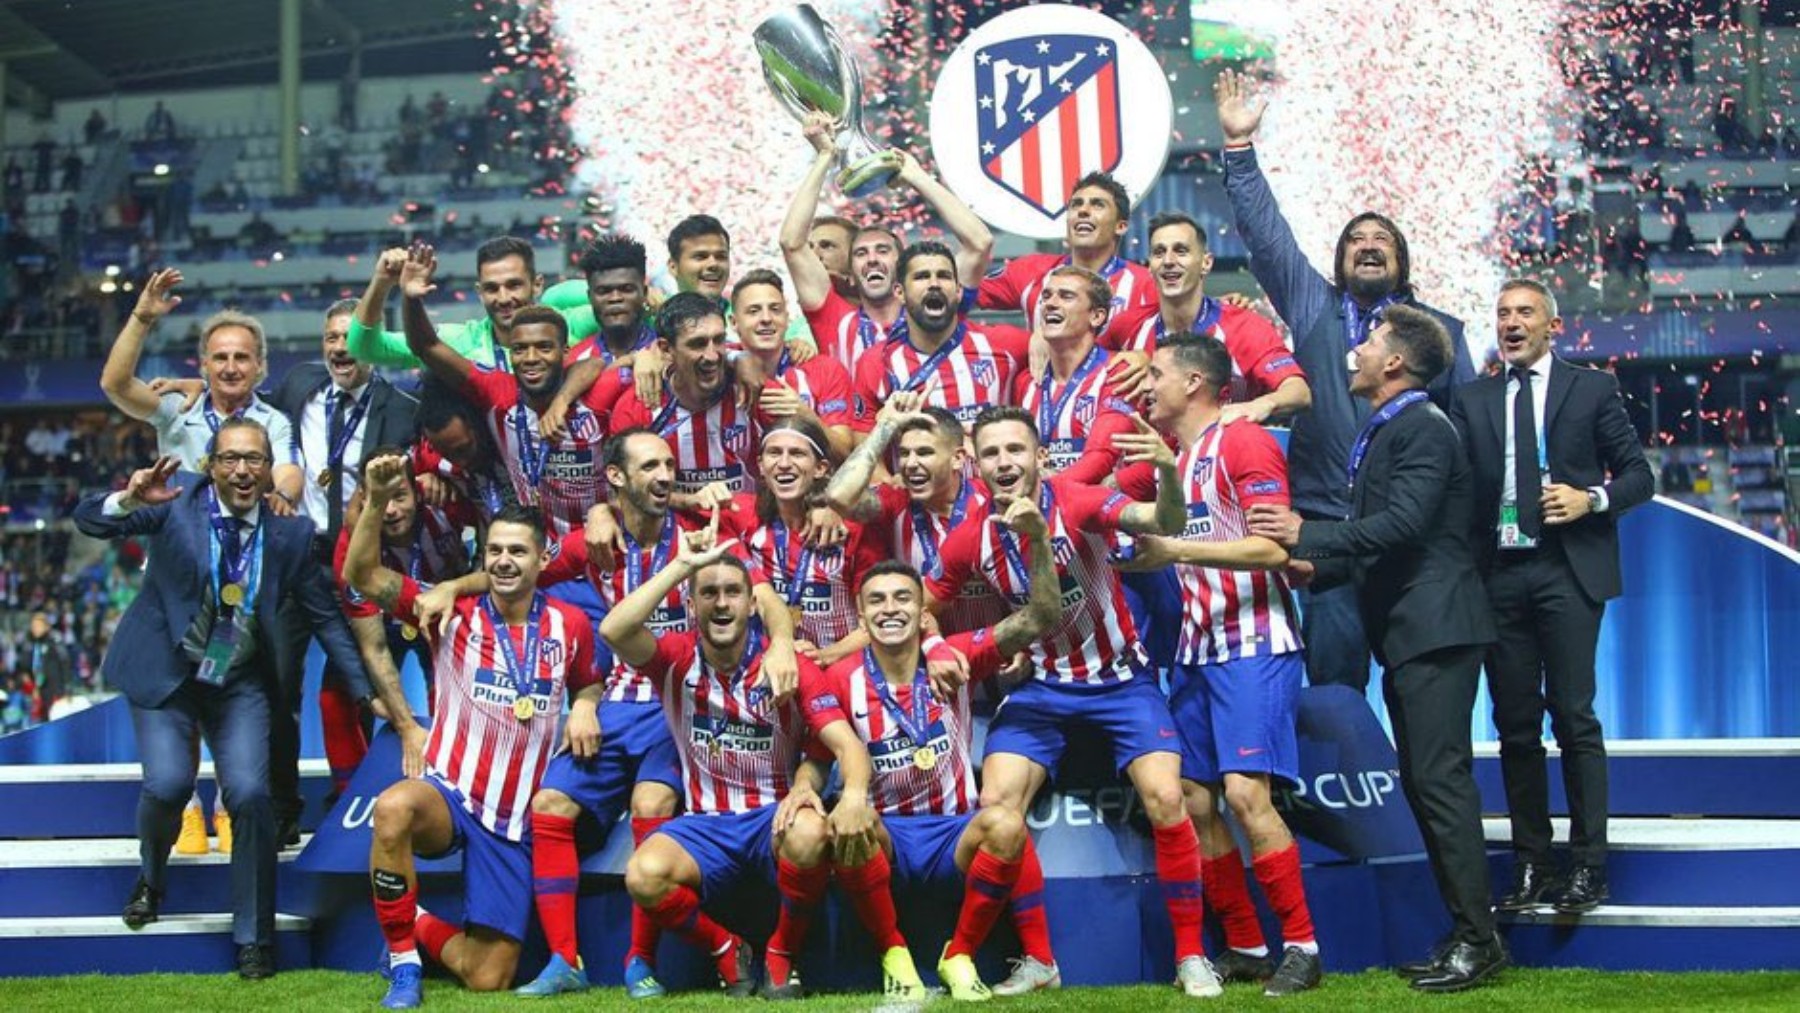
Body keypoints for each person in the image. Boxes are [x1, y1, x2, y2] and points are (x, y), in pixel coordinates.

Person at [925, 406, 1224, 998]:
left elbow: (1160, 519)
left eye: (1016, 450)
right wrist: (935, 647)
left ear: (1040, 457)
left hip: (1121, 682)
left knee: (1169, 798)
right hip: (1042, 689)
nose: (1005, 463)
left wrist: (1166, 474)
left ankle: (1191, 956)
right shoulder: (970, 537)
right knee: (998, 806)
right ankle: (1039, 960)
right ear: (976, 465)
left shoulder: (1080, 502)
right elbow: (927, 605)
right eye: (992, 454)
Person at [1247, 305, 1502, 993]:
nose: (1353, 350)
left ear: (1395, 362)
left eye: (1367, 342)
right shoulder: (1391, 426)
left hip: (1437, 629)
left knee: (1441, 786)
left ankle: (1480, 940)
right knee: (1425, 783)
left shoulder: (1421, 426)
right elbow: (1380, 535)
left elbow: (1404, 525)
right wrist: (1318, 567)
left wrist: (1308, 533)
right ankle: (1465, 930)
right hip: (1413, 631)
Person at [72, 419, 375, 981]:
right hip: (166, 669)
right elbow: (89, 520)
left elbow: (326, 617)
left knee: (253, 795)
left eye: (255, 460)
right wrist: (126, 499)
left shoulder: (290, 534)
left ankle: (254, 937)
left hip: (238, 678)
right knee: (167, 785)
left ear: (269, 470)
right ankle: (152, 878)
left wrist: (366, 692)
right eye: (231, 459)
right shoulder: (174, 502)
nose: (242, 471)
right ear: (210, 465)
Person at [503, 427, 802, 998]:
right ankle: (565, 960)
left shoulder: (702, 539)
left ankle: (641, 959)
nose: (666, 476)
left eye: (670, 465)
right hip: (613, 706)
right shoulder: (592, 544)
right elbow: (518, 576)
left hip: (674, 706)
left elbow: (764, 598)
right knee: (549, 805)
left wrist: (783, 642)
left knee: (652, 801)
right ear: (616, 478)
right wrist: (584, 697)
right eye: (650, 467)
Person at [1214, 69, 1475, 694]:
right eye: (1355, 239)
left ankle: (1420, 792)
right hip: (1326, 530)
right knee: (1335, 694)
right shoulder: (1312, 309)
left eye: (1382, 239)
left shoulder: (1440, 334)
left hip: (1411, 541)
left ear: (1402, 260)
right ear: (1340, 259)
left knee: (1424, 696)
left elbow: (1467, 433)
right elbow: (1268, 238)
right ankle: (1337, 795)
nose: (1367, 245)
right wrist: (1239, 152)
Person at [344, 465, 600, 1009]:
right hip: (452, 794)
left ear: (542, 559)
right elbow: (362, 573)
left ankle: (413, 923)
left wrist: (586, 706)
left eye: (518, 551)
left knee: (488, 977)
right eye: (495, 551)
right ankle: (403, 965)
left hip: (513, 819)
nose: (504, 561)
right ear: (483, 557)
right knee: (392, 809)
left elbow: (589, 682)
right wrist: (376, 503)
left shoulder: (570, 625)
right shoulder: (448, 612)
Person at [1121, 336, 1321, 995]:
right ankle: (1244, 942)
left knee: (1244, 793)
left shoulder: (1242, 442)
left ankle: (1302, 944)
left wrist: (1174, 547)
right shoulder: (1177, 459)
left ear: (1198, 381)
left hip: (1253, 644)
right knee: (1195, 800)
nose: (1147, 385)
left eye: (1157, 374)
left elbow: (1271, 550)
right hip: (1198, 650)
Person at [1449, 280, 1652, 915]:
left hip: (1568, 569)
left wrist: (1590, 498)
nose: (1512, 322)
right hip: (1498, 574)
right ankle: (1533, 863)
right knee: (1514, 726)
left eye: (1524, 312)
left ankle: (1590, 865)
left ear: (1552, 326)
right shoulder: (1471, 398)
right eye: (1503, 312)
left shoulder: (1591, 388)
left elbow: (1640, 476)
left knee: (1573, 715)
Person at [800, 505, 1060, 999]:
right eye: (876, 601)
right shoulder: (841, 677)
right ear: (860, 615)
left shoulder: (955, 656)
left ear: (923, 615)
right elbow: (818, 755)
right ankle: (893, 951)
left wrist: (1041, 539)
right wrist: (804, 790)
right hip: (888, 836)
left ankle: (958, 955)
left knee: (1006, 823)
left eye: (902, 598)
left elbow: (1041, 617)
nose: (889, 608)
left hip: (953, 833)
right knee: (847, 821)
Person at [600, 528, 864, 998]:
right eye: (708, 594)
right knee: (642, 874)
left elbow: (846, 745)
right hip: (705, 826)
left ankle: (782, 953)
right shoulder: (674, 661)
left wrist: (855, 795)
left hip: (772, 816)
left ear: (751, 605)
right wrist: (682, 566)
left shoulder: (787, 666)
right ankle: (727, 949)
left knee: (809, 834)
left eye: (732, 593)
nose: (721, 604)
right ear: (691, 605)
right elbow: (614, 630)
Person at [265, 299, 418, 836]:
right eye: (331, 337)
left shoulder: (401, 408)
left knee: (353, 689)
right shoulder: (299, 386)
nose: (338, 348)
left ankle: (355, 798)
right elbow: (246, 409)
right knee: (279, 686)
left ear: (372, 346)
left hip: (361, 560)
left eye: (350, 338)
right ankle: (283, 809)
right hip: (299, 559)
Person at [400, 244, 609, 537]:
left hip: (597, 537)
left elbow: (610, 363)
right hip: (526, 545)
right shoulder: (497, 388)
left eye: (544, 347)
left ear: (566, 351)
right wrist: (410, 300)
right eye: (520, 349)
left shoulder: (594, 384)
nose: (532, 357)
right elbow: (427, 346)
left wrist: (563, 399)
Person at [782, 116, 994, 371]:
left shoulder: (934, 305)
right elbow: (791, 243)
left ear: (903, 269)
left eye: (882, 250)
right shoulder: (834, 319)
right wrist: (825, 156)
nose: (872, 258)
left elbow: (979, 243)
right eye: (861, 253)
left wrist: (917, 177)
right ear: (851, 272)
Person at [824, 398, 1009, 638]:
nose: (910, 464)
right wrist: (885, 427)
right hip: (921, 656)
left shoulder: (992, 498)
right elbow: (838, 496)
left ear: (958, 458)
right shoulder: (894, 502)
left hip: (994, 651)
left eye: (924, 452)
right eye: (903, 453)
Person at [1119, 211, 1311, 426]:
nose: (1168, 261)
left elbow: (1298, 391)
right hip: (1147, 457)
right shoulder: (1126, 327)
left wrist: (1258, 405)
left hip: (1217, 455)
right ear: (1150, 266)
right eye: (1159, 252)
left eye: (1181, 251)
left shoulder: (1243, 326)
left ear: (1206, 263)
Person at [606, 292, 772, 504]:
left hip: (747, 530)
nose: (712, 356)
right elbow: (622, 494)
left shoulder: (751, 387)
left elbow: (807, 443)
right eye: (698, 344)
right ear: (666, 350)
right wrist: (690, 501)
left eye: (719, 340)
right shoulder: (637, 406)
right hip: (672, 533)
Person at [852, 241, 1030, 429]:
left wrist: (1041, 339)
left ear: (959, 291)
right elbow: (863, 448)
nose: (934, 284)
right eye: (922, 277)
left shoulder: (1006, 344)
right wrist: (884, 429)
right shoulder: (876, 363)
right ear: (900, 292)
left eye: (944, 276)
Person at [348, 239, 594, 372]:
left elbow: (626, 302)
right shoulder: (462, 341)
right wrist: (381, 283)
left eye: (514, 285)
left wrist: (557, 296)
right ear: (479, 292)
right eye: (492, 288)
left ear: (537, 284)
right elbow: (365, 348)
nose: (504, 298)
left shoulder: (571, 325)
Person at [977, 171, 1157, 349]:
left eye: (1097, 205)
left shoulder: (1145, 284)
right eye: (1076, 205)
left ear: (1121, 226)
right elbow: (961, 295)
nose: (1083, 211)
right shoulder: (1031, 270)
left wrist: (1143, 357)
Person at [731, 270, 857, 461]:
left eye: (775, 309)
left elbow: (843, 453)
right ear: (734, 322)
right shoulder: (718, 366)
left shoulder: (826, 369)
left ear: (787, 317)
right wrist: (734, 359)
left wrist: (805, 416)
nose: (766, 318)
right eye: (753, 311)